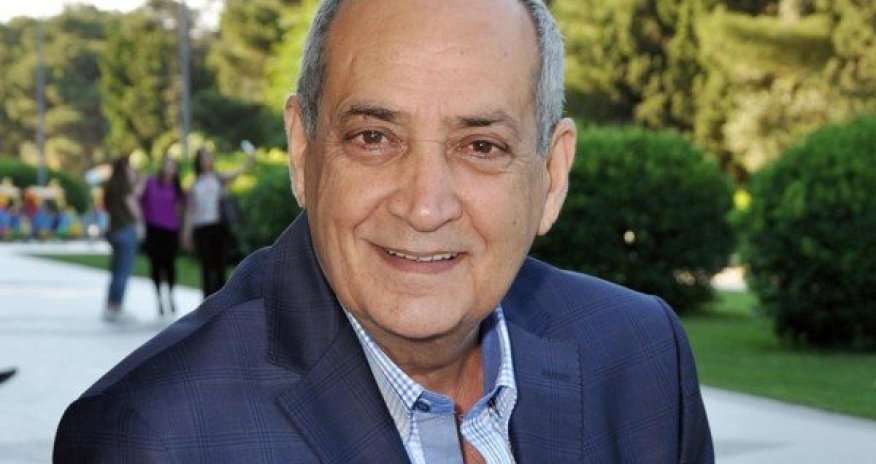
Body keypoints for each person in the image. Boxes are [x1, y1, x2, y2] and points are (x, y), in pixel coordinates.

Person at [54, 0, 714, 462]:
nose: (425, 207)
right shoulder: (153, 436)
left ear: (552, 175)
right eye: (374, 137)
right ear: (303, 153)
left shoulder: (641, 355)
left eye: (481, 146)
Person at [183, 147, 253, 298]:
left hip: (218, 227)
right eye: (203, 158)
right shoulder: (194, 184)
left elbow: (239, 171)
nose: (206, 160)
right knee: (206, 267)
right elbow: (190, 211)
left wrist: (250, 157)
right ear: (198, 162)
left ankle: (221, 300)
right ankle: (207, 300)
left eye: (208, 157)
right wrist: (186, 233)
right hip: (201, 229)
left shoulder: (218, 178)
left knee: (220, 265)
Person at [140, 156, 186, 317]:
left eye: (172, 166)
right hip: (153, 229)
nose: (169, 169)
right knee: (156, 265)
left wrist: (183, 231)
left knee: (170, 264)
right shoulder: (150, 183)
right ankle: (159, 298)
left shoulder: (177, 189)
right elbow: (140, 199)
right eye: (167, 165)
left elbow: (181, 210)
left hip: (170, 230)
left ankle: (171, 295)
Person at [101, 155, 143, 322]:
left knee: (115, 270)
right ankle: (117, 306)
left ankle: (110, 305)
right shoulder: (123, 187)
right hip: (125, 230)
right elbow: (134, 208)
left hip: (113, 230)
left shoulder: (110, 186)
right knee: (123, 271)